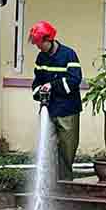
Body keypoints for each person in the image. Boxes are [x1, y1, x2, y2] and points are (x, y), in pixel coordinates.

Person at [29, 20, 83, 182]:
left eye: (39, 43)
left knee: (67, 149)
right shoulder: (41, 57)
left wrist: (52, 86)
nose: (38, 47)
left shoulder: (68, 55)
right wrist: (40, 92)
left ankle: (65, 183)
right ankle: (47, 183)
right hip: (49, 109)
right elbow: (37, 82)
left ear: (48, 39)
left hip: (67, 110)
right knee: (46, 148)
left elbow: (75, 80)